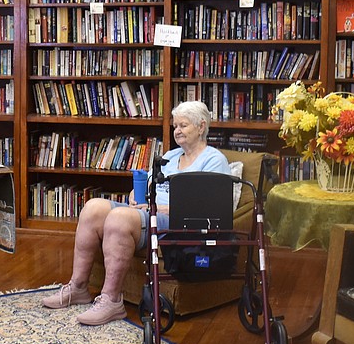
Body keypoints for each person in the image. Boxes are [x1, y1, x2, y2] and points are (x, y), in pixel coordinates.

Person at [43, 100, 232, 325]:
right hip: (147, 212)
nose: (177, 131)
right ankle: (78, 287)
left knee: (119, 218)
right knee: (92, 208)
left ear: (201, 127)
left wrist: (160, 208)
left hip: (178, 221)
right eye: (175, 126)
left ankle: (111, 301)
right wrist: (136, 194)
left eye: (184, 125)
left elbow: (212, 206)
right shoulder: (170, 157)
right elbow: (152, 187)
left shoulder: (214, 160)